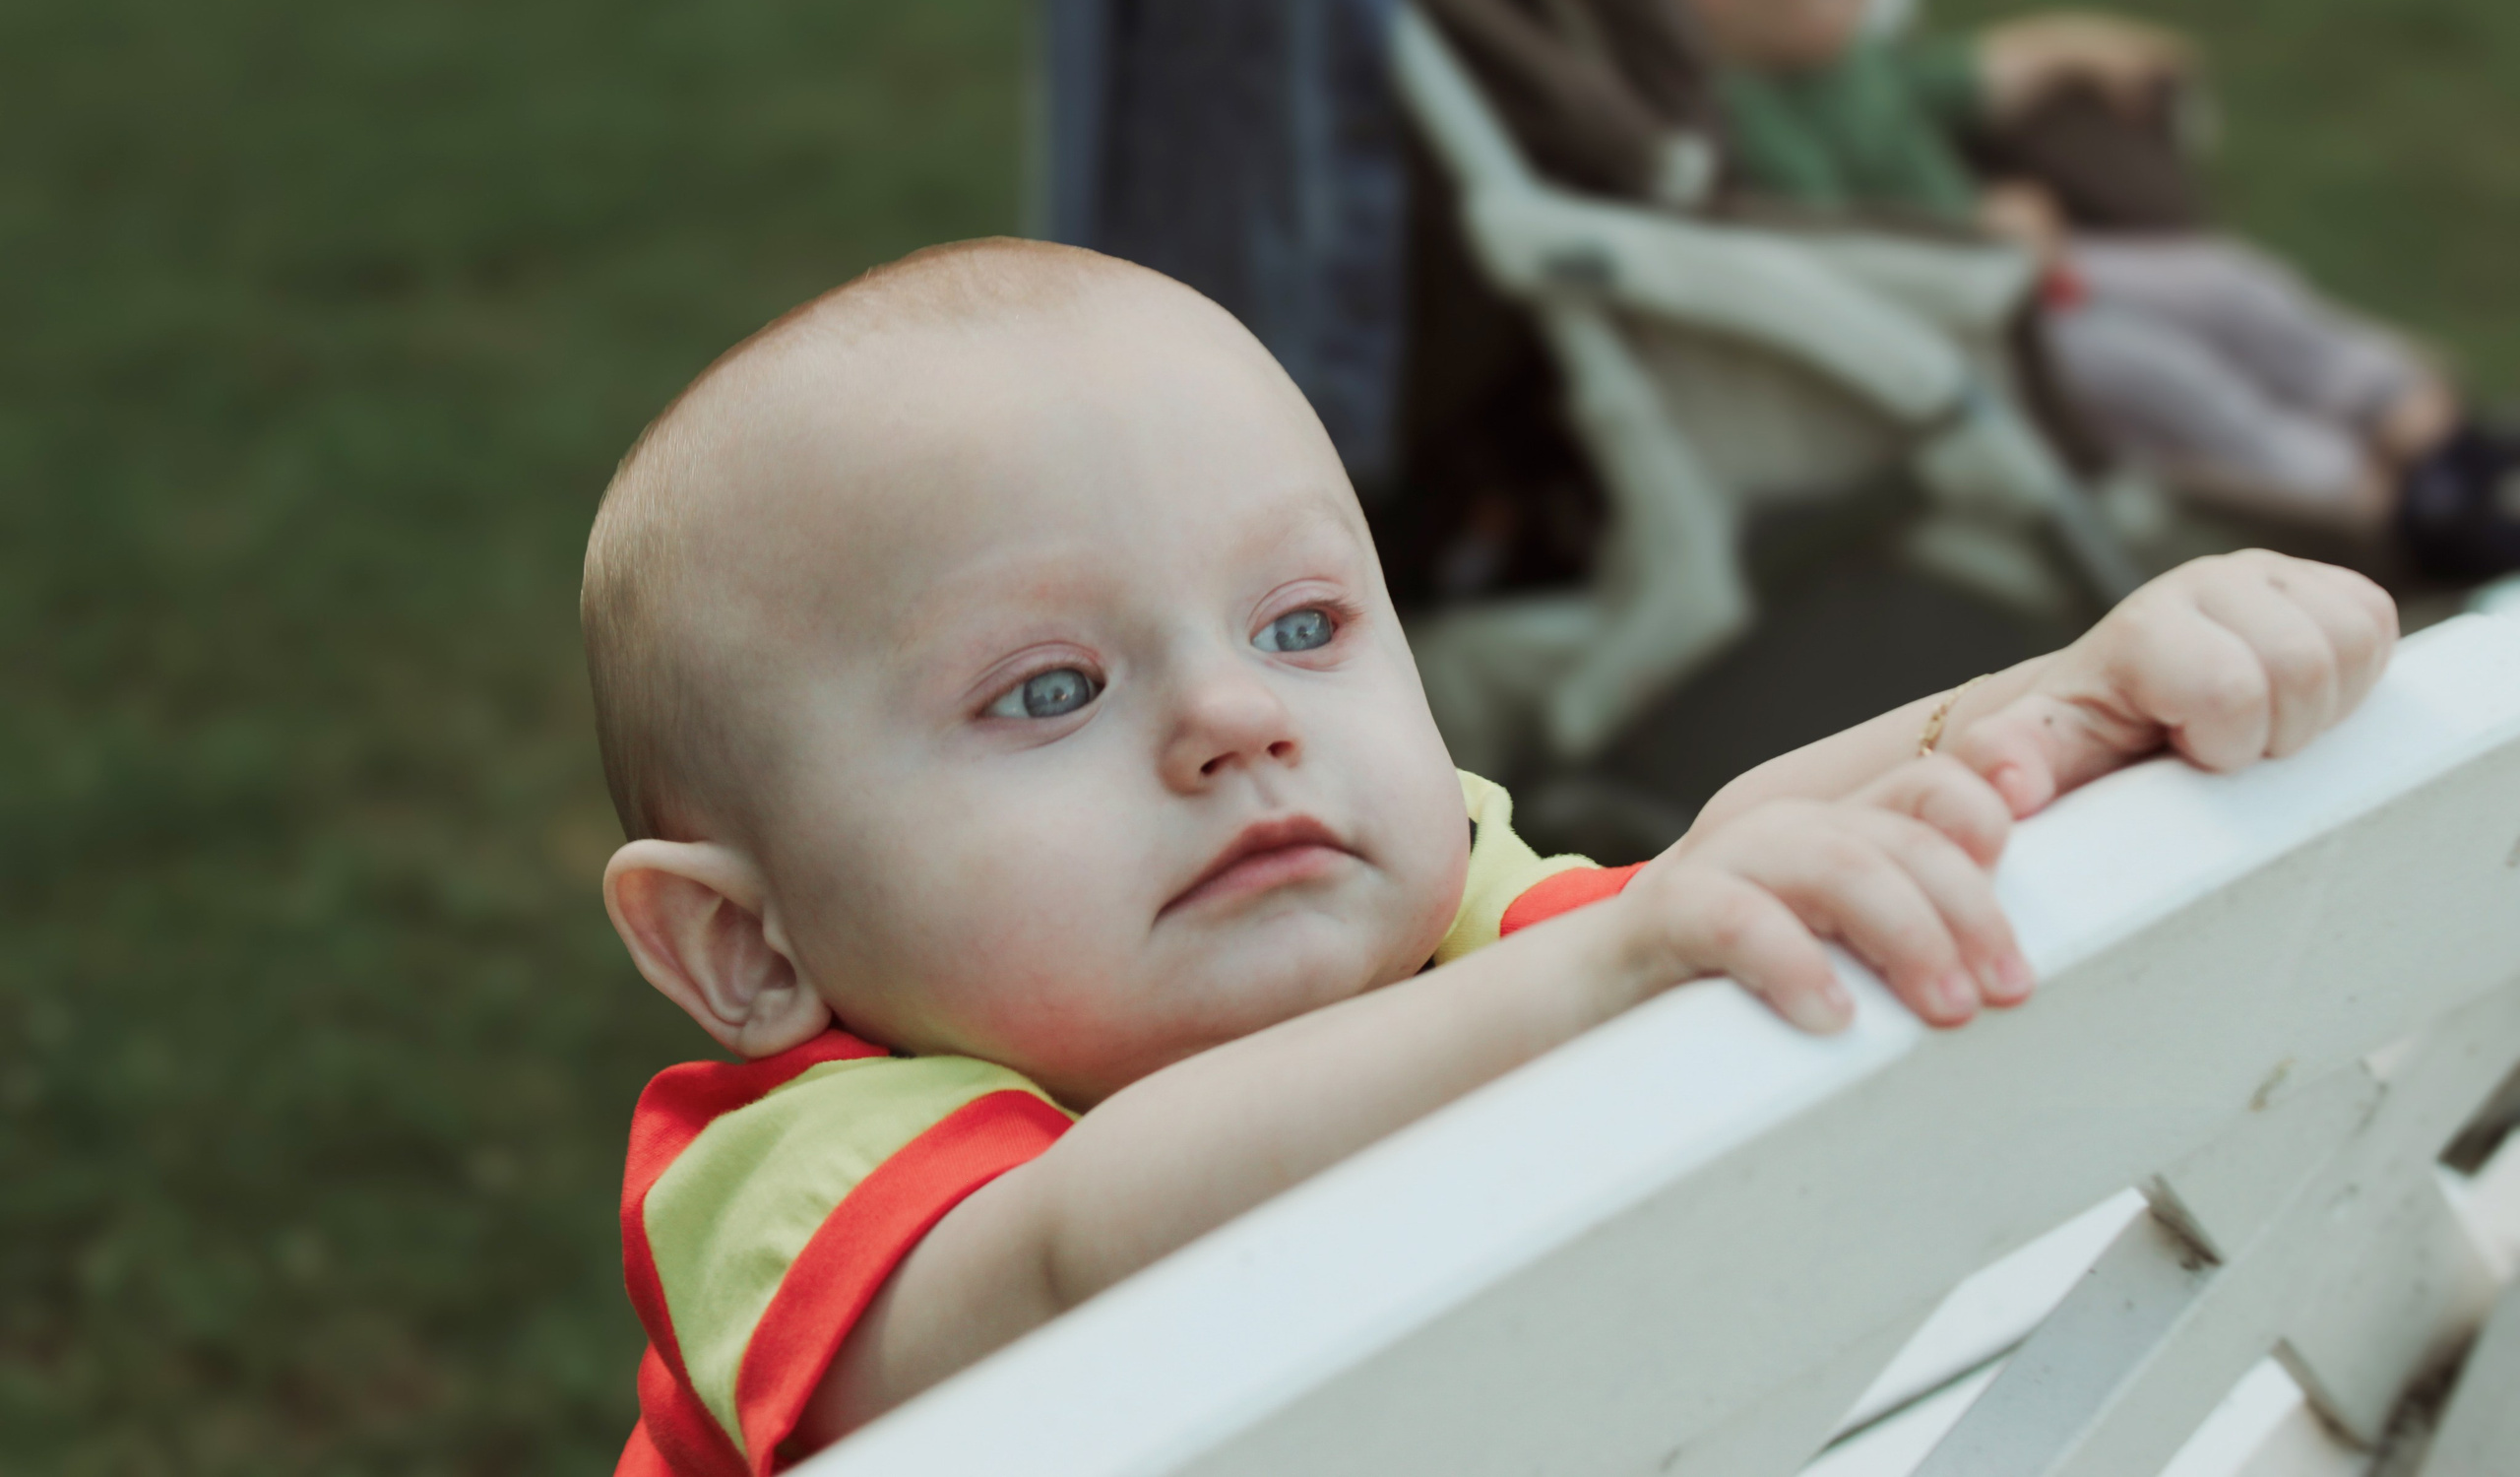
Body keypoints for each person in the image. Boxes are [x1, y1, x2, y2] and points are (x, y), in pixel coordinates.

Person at [581, 237, 2397, 1473]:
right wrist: (1605, 969)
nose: (1237, 714)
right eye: (1048, 687)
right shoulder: (796, 1182)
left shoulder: (1425, 916)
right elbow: (1070, 1259)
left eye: (1301, 623)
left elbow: (1714, 868)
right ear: (748, 944)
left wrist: (2058, 698)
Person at [1625, 0, 2520, 578]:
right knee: (2170, 382)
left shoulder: (1826, 51)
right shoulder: (1740, 117)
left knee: (2225, 284)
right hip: (1980, 332)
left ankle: (2422, 423)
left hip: (2044, 272)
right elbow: (1841, 248)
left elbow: (1940, 83)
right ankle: (2375, 505)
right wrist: (1985, 236)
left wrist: (2064, 48)